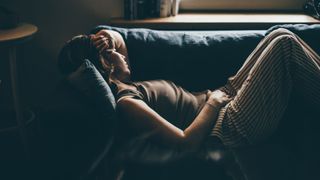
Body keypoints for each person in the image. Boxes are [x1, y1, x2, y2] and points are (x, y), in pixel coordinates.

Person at [58, 28, 320, 151]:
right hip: (227, 126)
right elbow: (185, 142)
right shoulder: (127, 103)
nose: (122, 55)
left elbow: (119, 38)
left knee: (278, 34)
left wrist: (106, 38)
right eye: (112, 55)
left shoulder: (125, 81)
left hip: (225, 98)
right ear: (104, 68)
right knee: (284, 44)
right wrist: (214, 103)